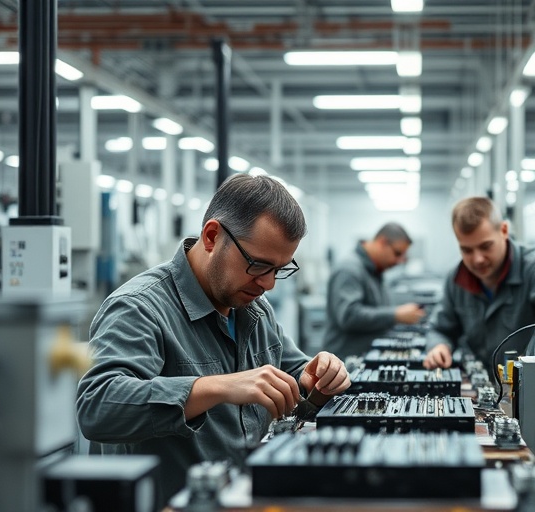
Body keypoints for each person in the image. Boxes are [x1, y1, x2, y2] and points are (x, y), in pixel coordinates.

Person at [76, 174, 350, 503]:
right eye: (259, 265)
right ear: (211, 236)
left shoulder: (254, 310)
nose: (269, 284)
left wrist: (317, 379)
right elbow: (98, 407)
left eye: (279, 269)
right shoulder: (139, 307)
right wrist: (217, 387)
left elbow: (297, 380)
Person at [423, 196, 535, 371]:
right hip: (483, 388)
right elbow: (440, 329)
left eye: (485, 246)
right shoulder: (457, 279)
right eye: (467, 250)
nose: (477, 259)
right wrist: (439, 346)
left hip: (529, 386)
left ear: (503, 230)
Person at [323, 222, 426, 359]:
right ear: (382, 242)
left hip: (366, 358)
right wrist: (395, 315)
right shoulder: (349, 269)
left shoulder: (375, 271)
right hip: (345, 363)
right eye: (397, 253)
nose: (400, 261)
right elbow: (348, 315)